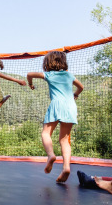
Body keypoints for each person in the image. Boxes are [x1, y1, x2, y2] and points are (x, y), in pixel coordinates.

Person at [27, 51, 84, 183]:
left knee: (46, 133)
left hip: (56, 105)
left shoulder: (49, 74)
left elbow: (29, 74)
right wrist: (75, 94)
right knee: (64, 140)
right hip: (70, 106)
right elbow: (81, 87)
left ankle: (51, 155)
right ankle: (66, 167)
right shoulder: (69, 75)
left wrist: (30, 83)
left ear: (48, 63)